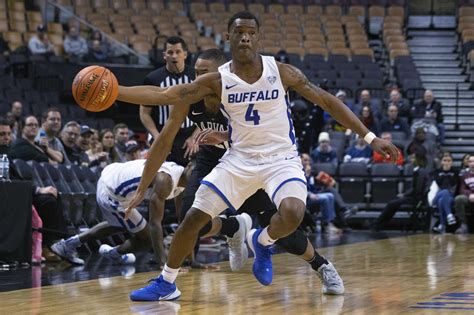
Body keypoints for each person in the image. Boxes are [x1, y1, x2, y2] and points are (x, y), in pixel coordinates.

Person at [115, 11, 398, 301]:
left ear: (259, 37)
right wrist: (115, 90)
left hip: (280, 159)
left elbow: (326, 100)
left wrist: (370, 137)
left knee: (291, 215)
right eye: (238, 32)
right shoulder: (217, 80)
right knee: (192, 218)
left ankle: (262, 241)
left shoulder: (282, 72)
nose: (245, 37)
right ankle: (166, 283)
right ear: (228, 38)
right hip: (238, 161)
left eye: (250, 32)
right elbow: (162, 96)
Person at [51, 159, 192, 266]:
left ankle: (70, 245)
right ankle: (111, 253)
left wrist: (192, 260)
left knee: (118, 224)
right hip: (111, 192)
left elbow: (183, 221)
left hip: (115, 177)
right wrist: (164, 264)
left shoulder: (184, 181)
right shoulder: (165, 180)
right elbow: (155, 223)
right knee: (147, 238)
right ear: (190, 165)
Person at [0, 117, 64, 261]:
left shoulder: (5, 154)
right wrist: (36, 190)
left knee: (51, 196)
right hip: (6, 199)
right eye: (2, 134)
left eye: (8, 134)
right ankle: (45, 246)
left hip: (14, 194)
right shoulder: (10, 151)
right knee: (47, 200)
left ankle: (53, 244)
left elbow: (14, 181)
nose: (6, 138)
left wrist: (37, 189)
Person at [139, 36, 197, 167]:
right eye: (170, 52)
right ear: (164, 55)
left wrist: (195, 137)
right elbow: (144, 113)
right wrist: (157, 136)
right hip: (163, 133)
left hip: (189, 134)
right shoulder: (153, 79)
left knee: (191, 177)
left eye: (178, 52)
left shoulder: (196, 77)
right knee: (163, 177)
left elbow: (207, 111)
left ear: (185, 54)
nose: (174, 56)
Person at [372, 151, 430, 231]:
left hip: (416, 199)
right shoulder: (420, 170)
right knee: (393, 204)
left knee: (392, 204)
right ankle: (380, 224)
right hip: (414, 197)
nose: (411, 160)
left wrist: (405, 195)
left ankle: (377, 224)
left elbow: (417, 189)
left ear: (418, 160)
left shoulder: (421, 172)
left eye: (413, 158)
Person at [431, 152, 458, 233]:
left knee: (442, 201)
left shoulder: (455, 172)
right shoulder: (436, 172)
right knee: (444, 192)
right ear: (441, 162)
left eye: (449, 161)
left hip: (450, 197)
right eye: (445, 160)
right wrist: (445, 172)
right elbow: (439, 183)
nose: (447, 162)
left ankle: (442, 225)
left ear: (452, 162)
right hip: (436, 196)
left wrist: (448, 172)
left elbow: (453, 183)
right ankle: (449, 215)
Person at [453, 155, 474, 234]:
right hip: (469, 197)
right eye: (470, 161)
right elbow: (462, 189)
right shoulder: (464, 175)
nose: (472, 163)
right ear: (467, 163)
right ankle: (463, 225)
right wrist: (470, 195)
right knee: (459, 198)